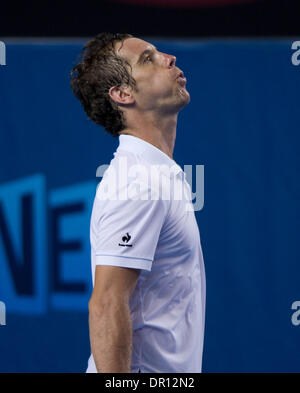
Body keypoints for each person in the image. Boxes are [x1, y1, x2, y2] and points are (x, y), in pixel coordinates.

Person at [70, 32, 206, 373]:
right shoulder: (138, 182)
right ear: (123, 94)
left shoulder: (156, 174)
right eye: (148, 58)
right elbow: (106, 304)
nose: (169, 57)